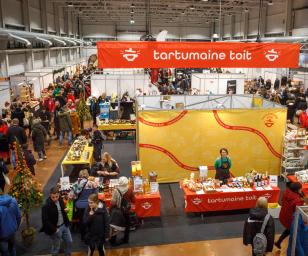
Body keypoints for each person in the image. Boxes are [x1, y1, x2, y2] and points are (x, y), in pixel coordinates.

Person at [40, 186, 72, 256]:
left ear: (59, 195)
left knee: (69, 242)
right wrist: (55, 229)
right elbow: (45, 221)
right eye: (53, 197)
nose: (55, 199)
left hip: (64, 225)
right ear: (50, 195)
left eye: (56, 197)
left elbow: (63, 209)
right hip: (55, 229)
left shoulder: (60, 200)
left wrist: (66, 210)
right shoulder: (46, 206)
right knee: (56, 247)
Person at [275, 182, 304, 249]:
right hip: (290, 219)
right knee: (294, 231)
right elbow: (299, 211)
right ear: (297, 190)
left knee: (289, 230)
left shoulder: (287, 192)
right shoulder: (297, 200)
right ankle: (293, 248)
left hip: (284, 214)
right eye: (300, 189)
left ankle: (278, 242)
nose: (301, 190)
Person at [110, 176, 135, 245]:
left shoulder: (116, 190)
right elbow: (134, 200)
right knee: (127, 225)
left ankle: (113, 240)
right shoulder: (130, 190)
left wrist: (110, 209)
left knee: (115, 226)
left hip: (118, 211)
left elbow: (113, 202)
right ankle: (126, 239)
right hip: (127, 211)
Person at [0, 189, 21, 256]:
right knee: (12, 249)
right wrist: (15, 228)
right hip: (12, 233)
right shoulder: (13, 200)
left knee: (5, 253)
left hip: (2, 237)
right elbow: (19, 217)